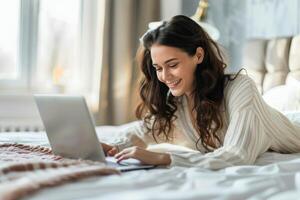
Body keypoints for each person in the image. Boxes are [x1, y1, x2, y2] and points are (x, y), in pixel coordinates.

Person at [101, 15, 300, 170]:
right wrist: (110, 147)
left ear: (198, 55)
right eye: (158, 68)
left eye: (172, 65)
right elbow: (142, 131)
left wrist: (163, 158)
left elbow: (237, 155)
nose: (165, 76)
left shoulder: (240, 87)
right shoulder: (179, 101)